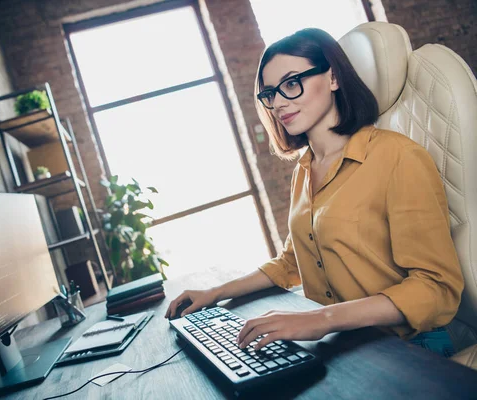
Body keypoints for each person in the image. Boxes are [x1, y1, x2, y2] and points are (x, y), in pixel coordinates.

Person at [164, 28, 463, 358]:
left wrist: (321, 319)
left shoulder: (399, 158)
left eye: (291, 84)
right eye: (270, 94)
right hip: (345, 344)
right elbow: (291, 262)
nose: (278, 103)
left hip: (410, 348)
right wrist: (214, 293)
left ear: (333, 77)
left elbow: (436, 287)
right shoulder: (304, 170)